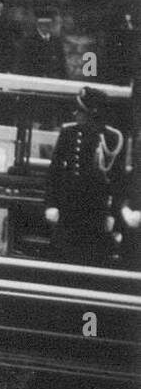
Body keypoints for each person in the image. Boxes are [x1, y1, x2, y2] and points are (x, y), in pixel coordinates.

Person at [44, 88, 124, 265]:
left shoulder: (111, 137)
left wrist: (113, 214)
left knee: (92, 259)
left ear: (92, 112)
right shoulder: (69, 133)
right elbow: (54, 173)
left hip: (95, 210)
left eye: (79, 110)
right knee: (62, 258)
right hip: (68, 207)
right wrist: (51, 204)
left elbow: (117, 181)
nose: (75, 113)